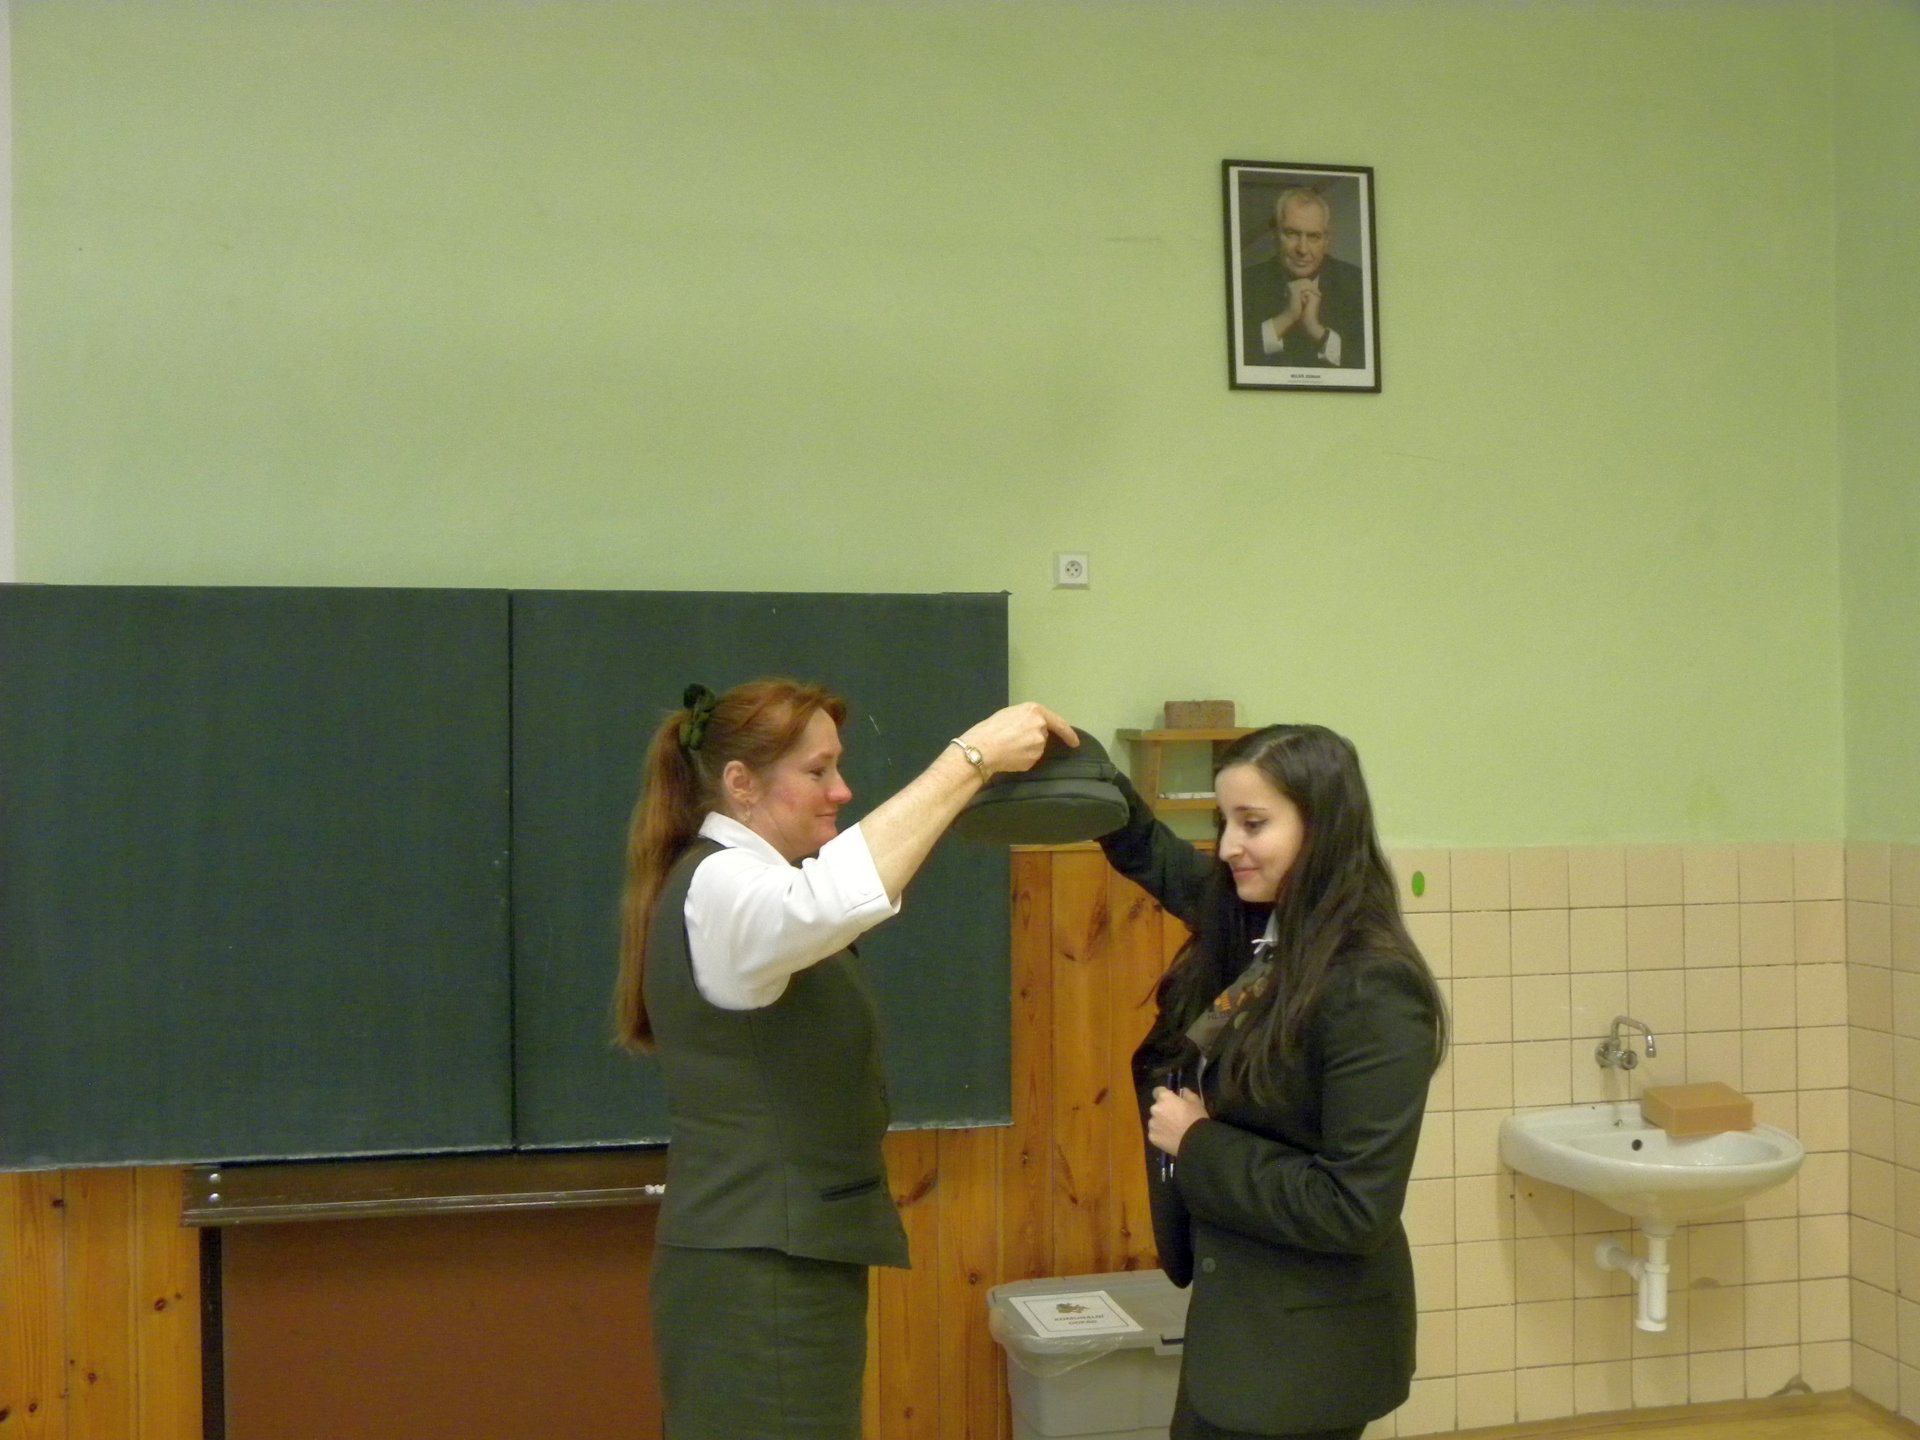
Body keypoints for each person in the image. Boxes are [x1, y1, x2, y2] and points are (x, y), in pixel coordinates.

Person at [614, 678, 1074, 1440]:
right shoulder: (723, 882)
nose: (842, 789)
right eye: (818, 770)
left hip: (778, 1261)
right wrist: (973, 758)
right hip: (760, 1273)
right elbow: (834, 899)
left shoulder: (741, 879)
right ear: (741, 784)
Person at [1098, 724, 1447, 1440]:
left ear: (1323, 829)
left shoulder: (1373, 986)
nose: (1229, 847)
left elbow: (1353, 1208)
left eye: (1253, 824)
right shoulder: (1272, 932)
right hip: (1245, 1331)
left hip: (1307, 1353)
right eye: (1224, 821)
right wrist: (1089, 776)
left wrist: (1197, 1143)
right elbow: (1167, 863)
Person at [1239, 187, 1368, 371]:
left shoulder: (1358, 284)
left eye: (1313, 236)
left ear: (1326, 240)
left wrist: (1316, 330)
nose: (1302, 249)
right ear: (1275, 233)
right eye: (1292, 234)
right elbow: (1232, 361)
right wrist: (1286, 318)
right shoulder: (1244, 283)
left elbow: (1368, 366)